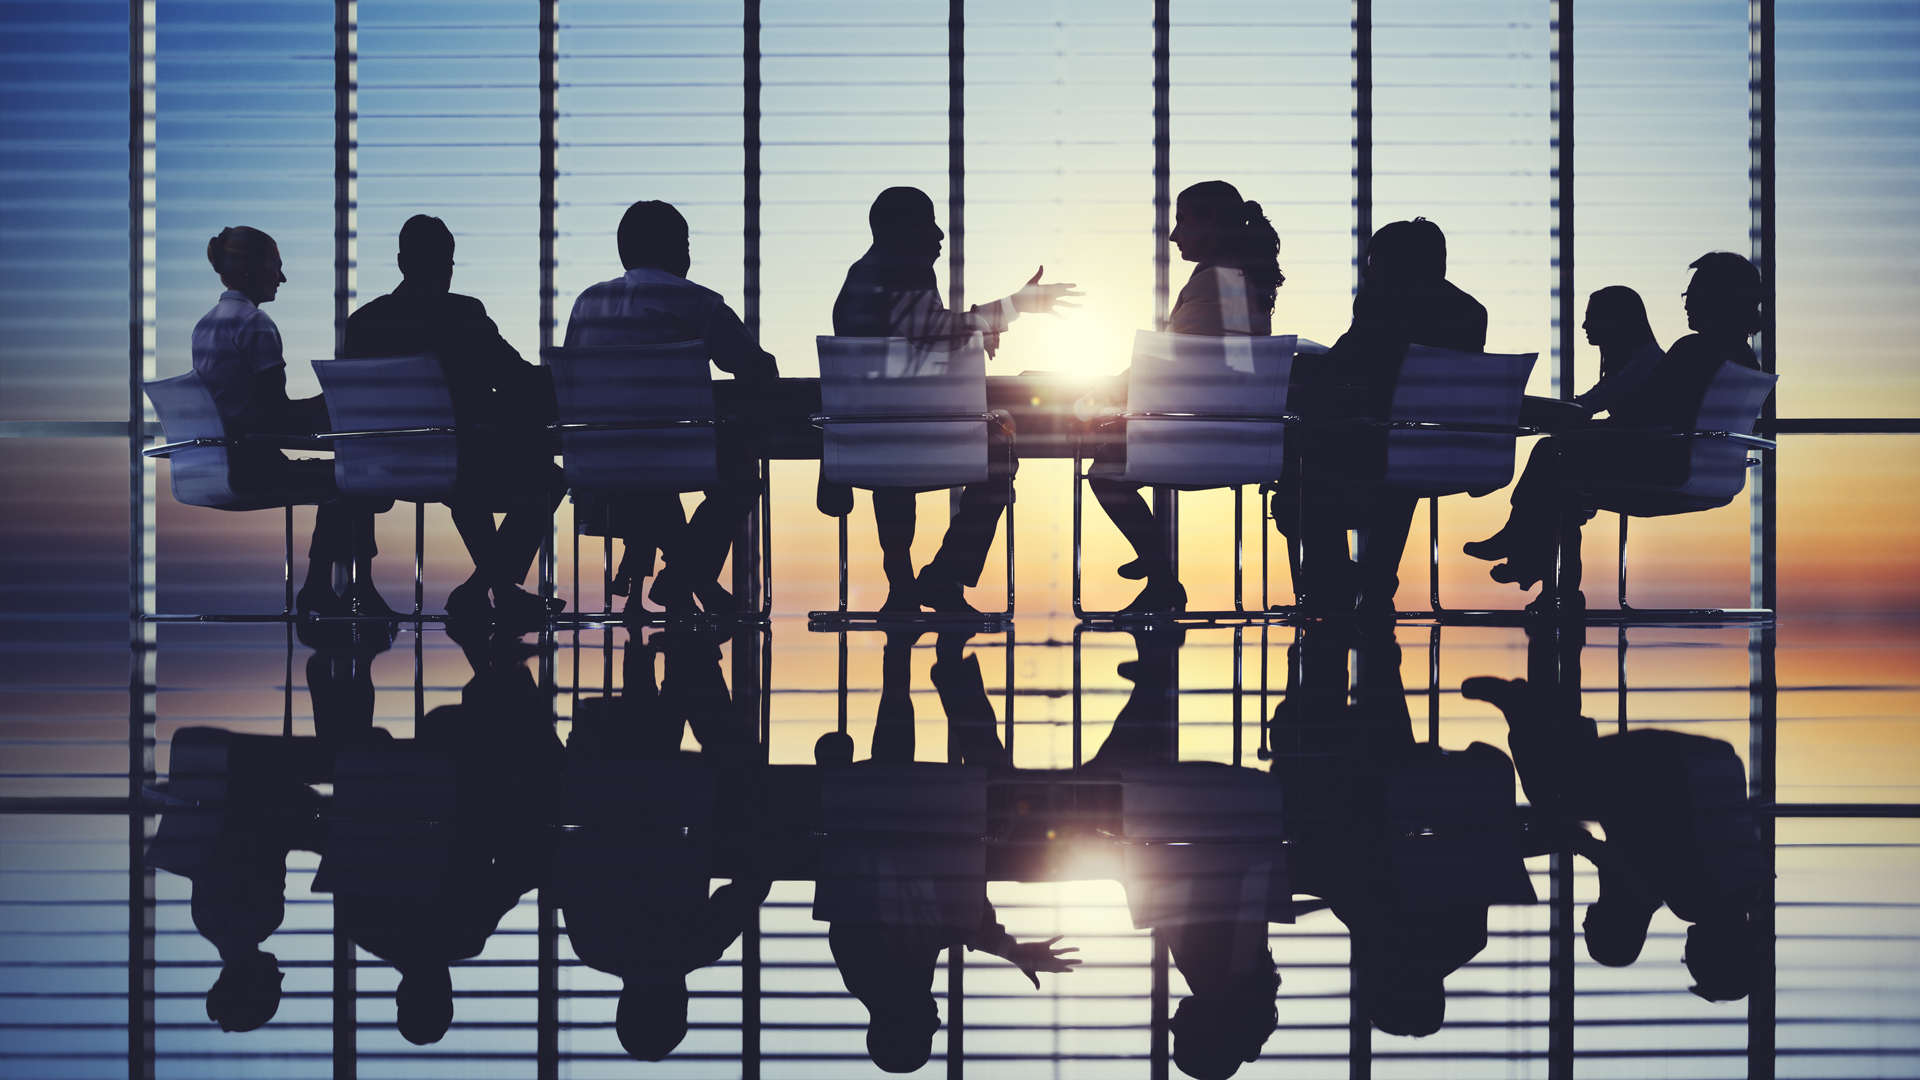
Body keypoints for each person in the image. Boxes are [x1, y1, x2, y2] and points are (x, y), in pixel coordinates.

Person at [812, 627, 1079, 1072]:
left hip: (925, 817)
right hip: (882, 809)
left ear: (903, 1026)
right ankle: (907, 645)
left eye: (927, 1030)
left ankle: (947, 659)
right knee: (897, 759)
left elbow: (952, 919)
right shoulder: (872, 976)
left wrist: (1010, 949)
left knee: (1000, 790)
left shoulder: (882, 973)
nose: (937, 1021)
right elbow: (945, 924)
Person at [824, 186, 1082, 613]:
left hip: (867, 440)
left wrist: (972, 332)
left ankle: (901, 586)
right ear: (905, 230)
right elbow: (927, 327)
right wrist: (1008, 309)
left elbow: (905, 347)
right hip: (917, 435)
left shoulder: (861, 277)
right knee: (999, 451)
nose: (940, 234)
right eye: (930, 223)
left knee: (891, 466)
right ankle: (944, 578)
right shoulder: (905, 267)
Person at [1464, 256, 1765, 609]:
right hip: (1704, 473)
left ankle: (1533, 561)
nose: (1687, 303)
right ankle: (1541, 573)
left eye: (1694, 295)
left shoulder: (1694, 349)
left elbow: (1640, 414)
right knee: (1560, 476)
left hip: (1663, 466)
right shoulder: (1743, 358)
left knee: (1551, 456)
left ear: (1719, 299)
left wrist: (1578, 427)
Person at [1461, 674, 1767, 1001]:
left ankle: (1552, 706)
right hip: (1669, 768)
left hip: (1708, 759)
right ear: (1717, 956)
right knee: (1551, 792)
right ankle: (1520, 706)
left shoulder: (1747, 886)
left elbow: (1641, 839)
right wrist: (1575, 841)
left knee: (1572, 788)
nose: (1687, 955)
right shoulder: (1696, 902)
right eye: (1693, 962)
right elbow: (1630, 859)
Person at [345, 215, 567, 625]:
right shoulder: (462, 313)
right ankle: (485, 588)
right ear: (447, 266)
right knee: (548, 478)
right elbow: (515, 378)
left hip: (381, 467)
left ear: (401, 262)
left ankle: (490, 591)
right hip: (459, 462)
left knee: (468, 477)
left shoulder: (362, 323)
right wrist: (568, 382)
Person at [557, 636, 771, 1061]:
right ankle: (662, 657)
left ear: (678, 1004)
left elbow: (753, 883)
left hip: (678, 790)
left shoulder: (694, 948)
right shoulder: (589, 947)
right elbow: (567, 864)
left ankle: (691, 657)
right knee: (644, 768)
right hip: (599, 777)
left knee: (740, 768)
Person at [1076, 181, 1284, 613]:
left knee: (1105, 470)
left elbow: (1170, 362)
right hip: (1245, 442)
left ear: (1209, 220)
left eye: (1181, 221)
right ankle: (1156, 564)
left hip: (1203, 442)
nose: (1173, 235)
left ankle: (1161, 575)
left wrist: (1098, 397)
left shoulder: (1216, 283)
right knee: (1115, 448)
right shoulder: (1244, 279)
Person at [563, 200, 777, 613]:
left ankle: (683, 581)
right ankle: (684, 578)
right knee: (740, 480)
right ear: (677, 249)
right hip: (676, 455)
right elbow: (757, 368)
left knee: (651, 478)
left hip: (597, 461)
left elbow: (572, 378)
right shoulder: (697, 302)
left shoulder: (586, 304)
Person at [1276, 218, 1487, 612]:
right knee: (1397, 469)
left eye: (1372, 261)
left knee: (1299, 469)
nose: (1366, 271)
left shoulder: (1383, 304)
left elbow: (1343, 365)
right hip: (1446, 448)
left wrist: (1285, 364)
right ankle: (1374, 585)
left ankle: (1333, 581)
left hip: (1375, 444)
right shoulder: (1471, 311)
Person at [192, 226, 393, 616]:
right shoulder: (255, 323)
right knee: (357, 479)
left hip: (219, 463)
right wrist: (331, 402)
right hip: (254, 465)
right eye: (276, 267)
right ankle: (350, 590)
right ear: (250, 269)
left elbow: (249, 407)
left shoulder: (206, 325)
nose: (281, 278)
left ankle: (325, 588)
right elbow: (275, 414)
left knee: (348, 480)